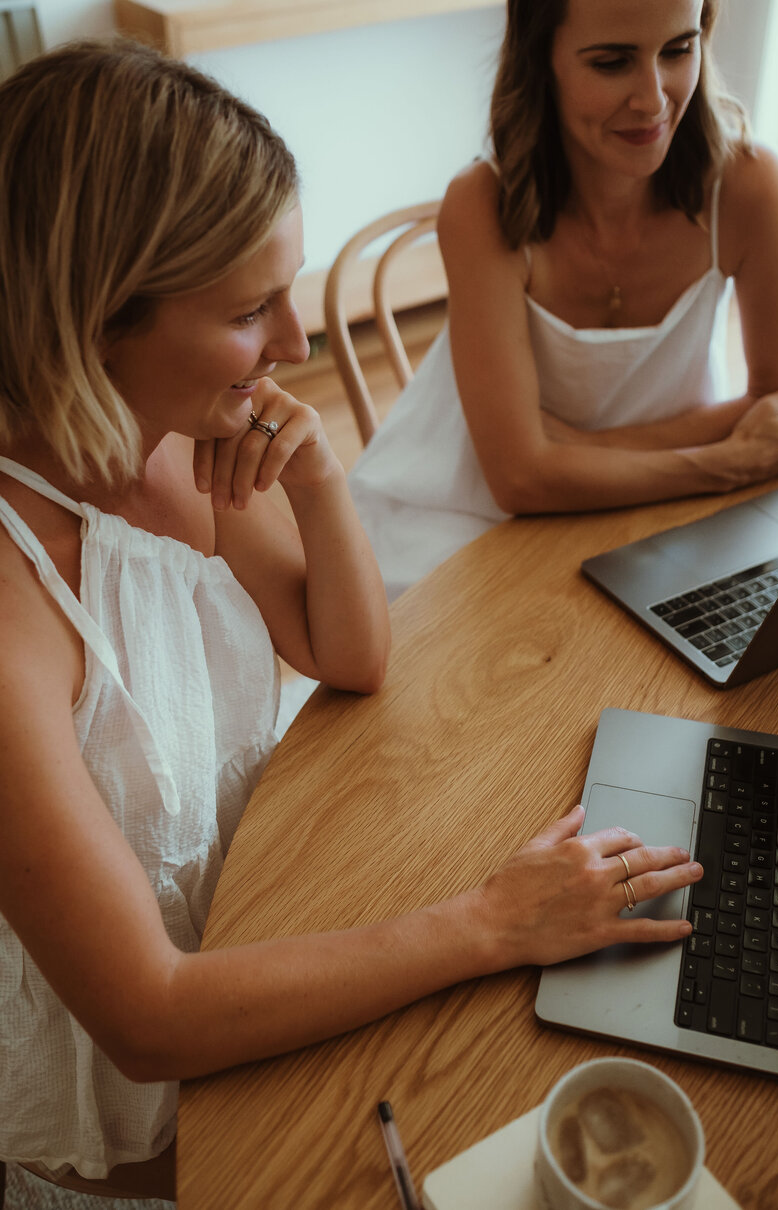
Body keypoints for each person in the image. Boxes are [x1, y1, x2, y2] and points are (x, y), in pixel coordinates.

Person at [0, 39, 702, 1202]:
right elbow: (149, 1022)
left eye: (293, 289)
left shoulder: (172, 440)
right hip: (143, 1121)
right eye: (249, 310)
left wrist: (319, 478)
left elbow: (351, 655)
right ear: (96, 318)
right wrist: (487, 921)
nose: (295, 343)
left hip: (266, 910)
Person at [348, 0, 778, 602]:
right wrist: (720, 460)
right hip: (461, 507)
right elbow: (516, 480)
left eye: (678, 50)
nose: (654, 98)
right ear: (542, 60)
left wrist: (574, 446)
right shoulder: (482, 203)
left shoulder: (750, 186)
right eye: (612, 63)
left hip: (657, 504)